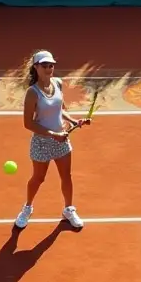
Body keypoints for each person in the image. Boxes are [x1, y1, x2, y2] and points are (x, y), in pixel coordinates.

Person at [15, 50, 88, 231]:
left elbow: (59, 110)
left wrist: (73, 121)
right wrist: (52, 134)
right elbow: (28, 123)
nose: (49, 68)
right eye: (45, 65)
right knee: (38, 178)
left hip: (61, 140)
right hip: (42, 142)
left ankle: (68, 209)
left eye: (51, 65)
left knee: (66, 176)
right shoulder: (32, 93)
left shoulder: (58, 83)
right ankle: (27, 208)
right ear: (36, 67)